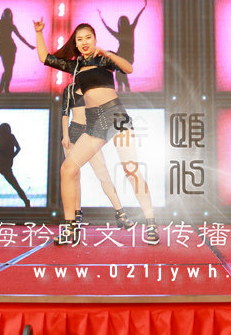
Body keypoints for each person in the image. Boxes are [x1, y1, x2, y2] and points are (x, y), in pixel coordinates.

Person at [34, 19, 159, 245]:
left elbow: (128, 68)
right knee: (68, 169)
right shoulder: (75, 66)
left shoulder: (104, 58)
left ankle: (151, 222)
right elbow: (45, 58)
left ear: (95, 39)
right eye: (79, 39)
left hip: (116, 116)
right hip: (94, 122)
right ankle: (71, 228)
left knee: (131, 170)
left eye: (88, 38)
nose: (84, 42)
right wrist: (39, 32)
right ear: (76, 43)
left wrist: (107, 53)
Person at [58, 82, 134, 228]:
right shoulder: (70, 89)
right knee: (73, 177)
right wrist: (65, 135)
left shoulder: (94, 86)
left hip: (90, 133)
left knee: (103, 175)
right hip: (73, 133)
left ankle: (120, 214)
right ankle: (76, 215)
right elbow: (65, 113)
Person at [98, 0, 147, 93]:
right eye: (120, 22)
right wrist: (101, 17)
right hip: (122, 55)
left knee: (120, 72)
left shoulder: (128, 30)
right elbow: (108, 28)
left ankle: (124, 88)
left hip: (127, 56)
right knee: (119, 72)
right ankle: (124, 88)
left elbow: (137, 18)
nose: (121, 24)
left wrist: (143, 7)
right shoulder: (123, 32)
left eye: (122, 22)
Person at [0, 123, 31, 208]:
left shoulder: (1, 139)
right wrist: (11, 156)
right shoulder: (10, 137)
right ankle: (26, 202)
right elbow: (18, 148)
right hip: (4, 165)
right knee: (14, 185)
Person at [0, 8, 35, 94]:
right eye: (5, 14)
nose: (6, 15)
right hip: (3, 48)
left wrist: (29, 45)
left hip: (11, 49)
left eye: (8, 14)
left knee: (9, 69)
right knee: (7, 69)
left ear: (10, 15)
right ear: (3, 14)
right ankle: (2, 88)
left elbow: (20, 37)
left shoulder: (11, 25)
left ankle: (5, 88)